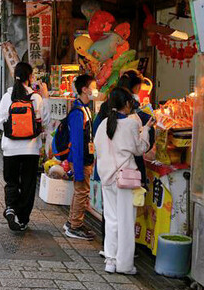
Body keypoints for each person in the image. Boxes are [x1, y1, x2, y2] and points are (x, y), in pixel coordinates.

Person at [93, 87, 152, 274]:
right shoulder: (131, 124)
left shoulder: (103, 124)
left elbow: (97, 148)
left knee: (111, 219)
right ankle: (125, 265)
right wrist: (147, 129)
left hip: (107, 178)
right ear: (127, 103)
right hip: (125, 178)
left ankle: (110, 261)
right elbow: (140, 148)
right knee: (126, 221)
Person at [0, 61, 50, 231]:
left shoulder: (7, 97)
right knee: (27, 185)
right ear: (30, 77)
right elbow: (46, 122)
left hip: (10, 150)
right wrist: (46, 96)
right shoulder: (36, 98)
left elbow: (0, 124)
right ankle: (23, 219)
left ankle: (11, 208)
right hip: (31, 150)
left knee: (11, 182)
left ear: (15, 76)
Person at [93, 70, 155, 186]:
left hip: (105, 173)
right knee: (127, 204)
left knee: (108, 204)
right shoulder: (133, 119)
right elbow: (141, 148)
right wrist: (146, 129)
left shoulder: (104, 115)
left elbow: (96, 138)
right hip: (126, 175)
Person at [63, 74, 98, 241]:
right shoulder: (78, 112)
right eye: (93, 86)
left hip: (83, 158)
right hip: (80, 159)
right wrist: (77, 168)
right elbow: (76, 143)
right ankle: (75, 226)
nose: (96, 90)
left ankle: (73, 222)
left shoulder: (84, 109)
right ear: (85, 89)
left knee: (80, 191)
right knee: (82, 191)